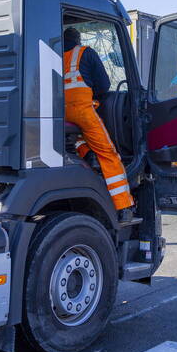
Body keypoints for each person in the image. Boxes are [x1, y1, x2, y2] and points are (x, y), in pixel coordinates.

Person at [63, 27, 135, 218]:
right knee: (108, 152)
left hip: (59, 113)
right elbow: (104, 85)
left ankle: (87, 154)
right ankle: (123, 206)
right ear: (78, 39)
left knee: (76, 138)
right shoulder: (86, 53)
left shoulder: (54, 55)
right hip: (81, 111)